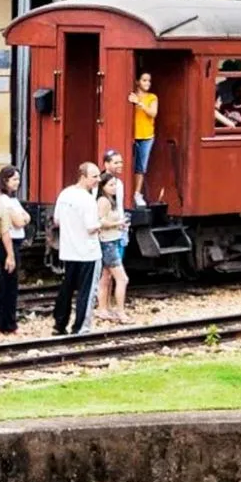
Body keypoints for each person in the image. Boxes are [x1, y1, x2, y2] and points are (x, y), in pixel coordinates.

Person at [51, 163, 103, 335]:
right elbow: (91, 227)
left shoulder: (65, 194)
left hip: (69, 250)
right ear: (83, 176)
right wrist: (104, 223)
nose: (98, 180)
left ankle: (59, 323)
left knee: (67, 288)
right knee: (86, 292)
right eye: (94, 176)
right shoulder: (87, 200)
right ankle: (81, 327)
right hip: (88, 252)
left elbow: (57, 220)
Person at [0, 167, 30, 334]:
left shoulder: (12, 200)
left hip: (15, 241)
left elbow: (25, 217)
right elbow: (20, 221)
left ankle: (0, 319)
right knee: (9, 283)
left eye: (18, 179)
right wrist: (22, 218)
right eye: (14, 179)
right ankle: (8, 323)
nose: (18, 182)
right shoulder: (4, 201)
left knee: (6, 283)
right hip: (9, 243)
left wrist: (22, 217)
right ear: (5, 181)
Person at [95, 172, 130, 324]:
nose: (114, 187)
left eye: (115, 184)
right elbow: (99, 222)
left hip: (110, 241)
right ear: (103, 187)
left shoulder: (109, 200)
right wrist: (118, 224)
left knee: (105, 278)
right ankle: (120, 312)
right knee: (122, 279)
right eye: (111, 185)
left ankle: (103, 309)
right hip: (108, 243)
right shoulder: (104, 201)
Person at [129, 72, 158, 206]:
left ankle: (137, 194)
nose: (147, 83)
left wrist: (139, 103)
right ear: (137, 82)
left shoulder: (152, 97)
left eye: (149, 81)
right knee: (129, 165)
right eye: (144, 80)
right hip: (132, 135)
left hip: (146, 136)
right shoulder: (131, 95)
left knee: (141, 167)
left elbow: (153, 113)